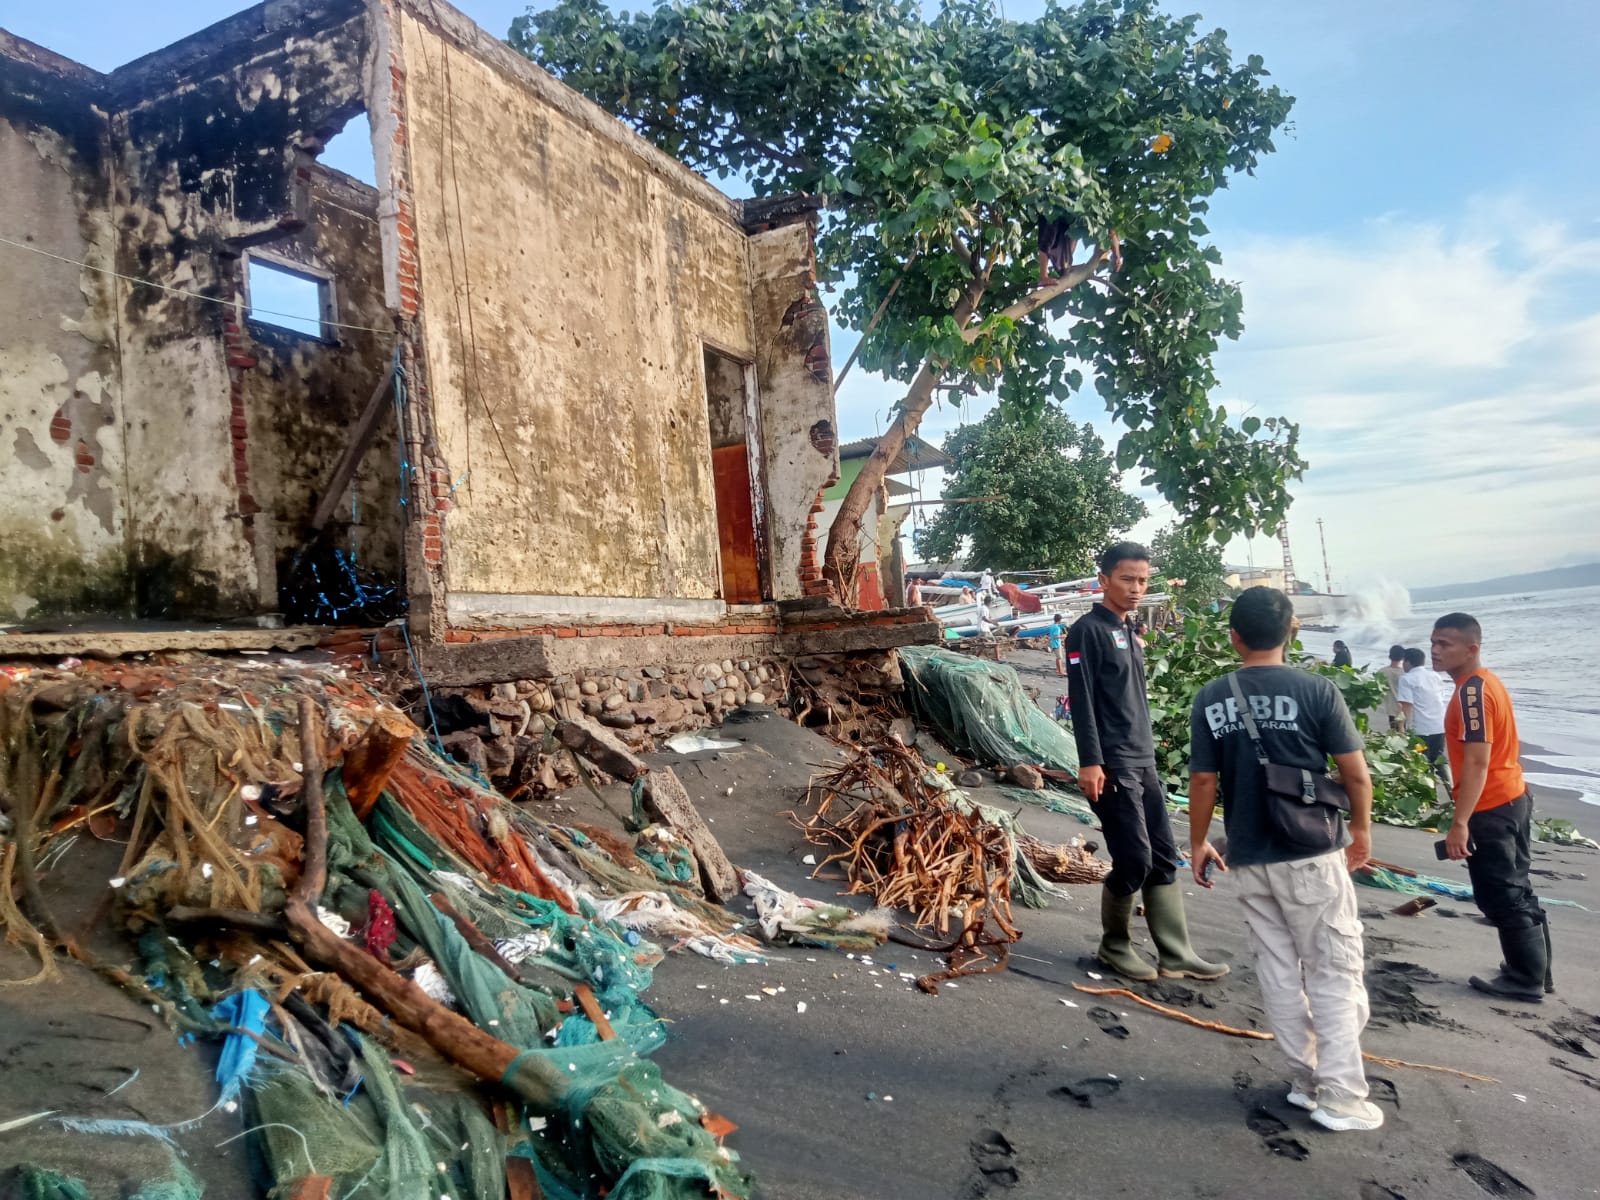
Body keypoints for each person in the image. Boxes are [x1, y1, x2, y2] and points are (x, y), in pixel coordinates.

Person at [1187, 586, 1381, 1132]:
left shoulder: (1211, 696)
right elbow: (1355, 773)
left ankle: (1305, 1078)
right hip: (1310, 852)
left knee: (1276, 967)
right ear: (1292, 629)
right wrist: (1361, 831)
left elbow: (1204, 780)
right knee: (1333, 968)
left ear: (1235, 636)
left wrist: (1199, 841)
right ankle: (1341, 1095)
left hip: (1247, 854)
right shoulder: (1316, 690)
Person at [1066, 542, 1227, 982]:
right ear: (1103, 580)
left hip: (1143, 759)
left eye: (1143, 581)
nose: (1137, 589)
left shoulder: (1128, 631)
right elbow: (1082, 702)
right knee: (1132, 858)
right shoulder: (1087, 631)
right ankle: (1114, 946)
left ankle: (1175, 953)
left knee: (1161, 855)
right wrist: (1091, 761)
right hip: (1112, 764)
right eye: (1127, 579)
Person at [1431, 613, 1554, 1003]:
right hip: (1512, 795)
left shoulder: (1472, 692)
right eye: (1433, 642)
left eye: (1445, 644)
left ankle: (1525, 978)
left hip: (1492, 804)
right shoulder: (1486, 684)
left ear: (1472, 648)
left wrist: (1460, 822)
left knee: (1501, 894)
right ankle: (1537, 970)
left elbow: (1477, 761)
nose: (1435, 651)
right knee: (1519, 888)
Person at [1397, 647, 1450, 783]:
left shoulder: (1407, 679)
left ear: (1408, 662)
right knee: (1438, 758)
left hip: (1420, 731)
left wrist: (1401, 729)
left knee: (1421, 761)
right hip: (1439, 726)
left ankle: (1431, 797)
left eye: (1404, 661)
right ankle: (1451, 790)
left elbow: (1405, 705)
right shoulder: (1435, 676)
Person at [1377, 644, 1406, 730]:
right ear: (1403, 658)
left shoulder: (1382, 672)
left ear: (1390, 656)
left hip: (1392, 708)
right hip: (1406, 708)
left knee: (1394, 735)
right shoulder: (1405, 673)